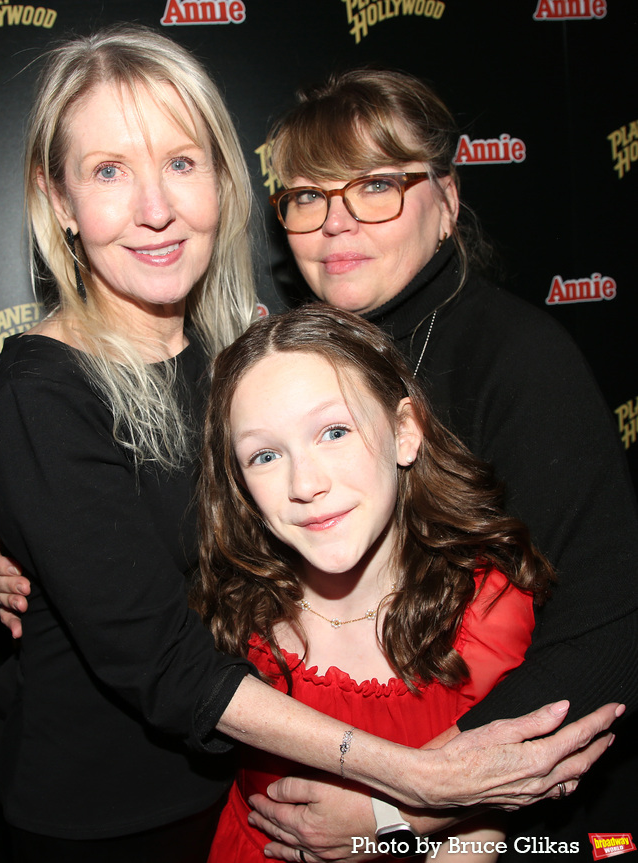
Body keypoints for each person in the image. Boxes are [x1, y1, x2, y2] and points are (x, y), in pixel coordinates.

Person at [0, 36, 623, 861]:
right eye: (107, 171)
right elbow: (155, 642)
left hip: (299, 786)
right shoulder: (78, 382)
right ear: (57, 199)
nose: (154, 207)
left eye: (180, 162)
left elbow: (603, 616)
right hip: (128, 812)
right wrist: (26, 535)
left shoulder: (262, 347)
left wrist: (410, 809)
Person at [239, 69, 638, 860]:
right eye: (309, 196)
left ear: (448, 202)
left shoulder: (519, 361)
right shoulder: (288, 365)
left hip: (533, 824)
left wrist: (402, 804)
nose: (335, 222)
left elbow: (609, 633)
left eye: (377, 185)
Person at [194, 303, 555, 863]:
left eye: (334, 431)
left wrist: (391, 828)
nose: (305, 483)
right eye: (264, 455)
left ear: (405, 432)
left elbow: (491, 810)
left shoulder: (489, 614)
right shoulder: (232, 611)